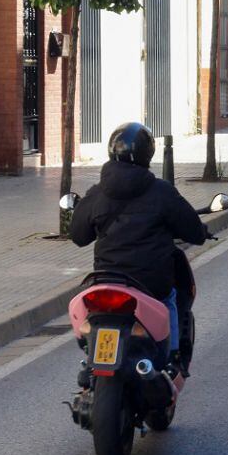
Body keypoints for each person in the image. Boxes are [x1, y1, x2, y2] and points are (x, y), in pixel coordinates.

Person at [71, 122, 207, 374]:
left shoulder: (97, 193)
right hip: (150, 283)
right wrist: (201, 231)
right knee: (171, 299)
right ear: (148, 154)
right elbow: (194, 232)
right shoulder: (162, 192)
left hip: (106, 279)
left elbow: (78, 235)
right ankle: (172, 357)